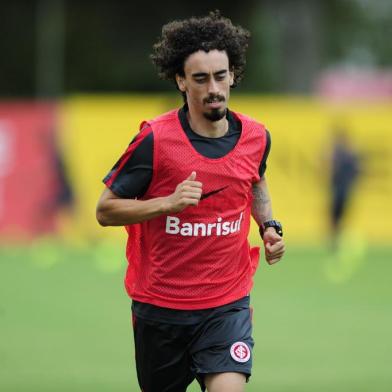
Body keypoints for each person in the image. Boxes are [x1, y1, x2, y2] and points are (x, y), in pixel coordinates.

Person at [96, 11, 285, 392]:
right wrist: (166, 204)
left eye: (220, 76)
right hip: (161, 308)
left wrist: (267, 226)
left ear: (233, 75)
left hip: (226, 303)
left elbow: (256, 180)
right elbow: (105, 209)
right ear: (181, 81)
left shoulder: (256, 136)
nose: (213, 88)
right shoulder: (155, 140)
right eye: (201, 78)